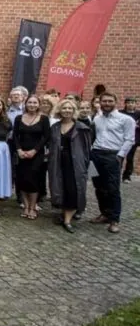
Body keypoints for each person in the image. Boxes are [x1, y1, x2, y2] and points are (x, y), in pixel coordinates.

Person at [90, 92, 135, 233]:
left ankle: (115, 219)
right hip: (96, 155)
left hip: (112, 156)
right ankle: (104, 214)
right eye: (104, 101)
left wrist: (120, 156)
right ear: (100, 102)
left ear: (116, 102)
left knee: (113, 188)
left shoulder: (126, 119)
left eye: (110, 101)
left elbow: (130, 139)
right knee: (98, 186)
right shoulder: (97, 119)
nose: (107, 104)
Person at [48, 100, 91, 233]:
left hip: (75, 163)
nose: (67, 110)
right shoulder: (55, 127)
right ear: (59, 110)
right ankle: (63, 212)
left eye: (69, 108)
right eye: (64, 108)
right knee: (60, 188)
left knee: (74, 189)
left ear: (74, 111)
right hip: (58, 162)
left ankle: (67, 220)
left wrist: (86, 166)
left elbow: (87, 149)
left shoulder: (82, 128)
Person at [13, 95, 50, 219]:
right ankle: (26, 205)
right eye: (30, 102)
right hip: (22, 154)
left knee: (34, 180)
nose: (32, 105)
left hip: (36, 154)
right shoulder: (19, 118)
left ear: (38, 104)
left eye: (35, 102)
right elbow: (15, 136)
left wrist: (35, 150)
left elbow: (45, 137)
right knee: (22, 180)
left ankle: (33, 207)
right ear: (25, 103)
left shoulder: (44, 119)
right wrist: (19, 150)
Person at [119, 97, 140, 183]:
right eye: (129, 102)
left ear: (136, 104)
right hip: (121, 139)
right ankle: (117, 174)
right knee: (120, 157)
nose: (131, 104)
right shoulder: (120, 113)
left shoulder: (138, 114)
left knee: (130, 158)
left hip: (133, 139)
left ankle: (126, 176)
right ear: (125, 104)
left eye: (133, 102)